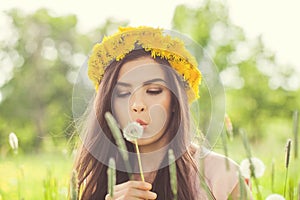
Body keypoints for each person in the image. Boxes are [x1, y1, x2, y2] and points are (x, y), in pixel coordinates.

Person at [73, 26, 252, 199]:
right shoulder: (97, 180)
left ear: (175, 100)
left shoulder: (222, 176)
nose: (137, 105)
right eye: (123, 93)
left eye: (153, 91)